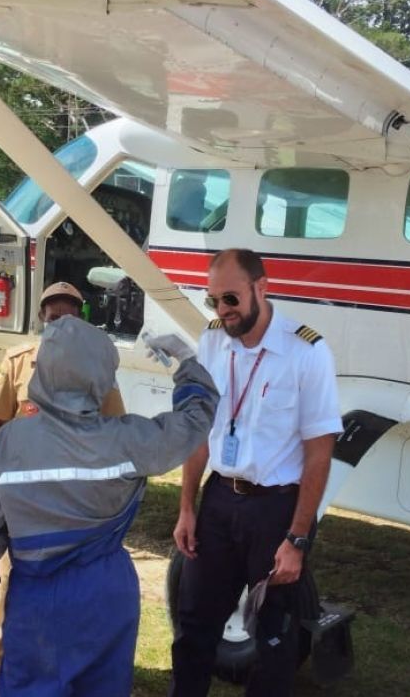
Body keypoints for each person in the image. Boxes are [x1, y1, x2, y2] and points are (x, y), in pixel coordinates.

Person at [0, 316, 219, 696]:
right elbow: (195, 419)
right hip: (107, 595)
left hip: (36, 599)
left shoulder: (11, 444)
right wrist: (187, 362)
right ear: (101, 376)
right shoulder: (127, 439)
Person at [169, 248, 342, 697]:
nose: (222, 311)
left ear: (261, 288)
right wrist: (187, 507)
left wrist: (298, 538)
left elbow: (320, 452)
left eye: (230, 298)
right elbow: (200, 430)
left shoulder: (306, 351)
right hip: (220, 499)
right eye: (213, 301)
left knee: (275, 637)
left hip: (277, 510)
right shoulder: (212, 342)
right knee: (193, 625)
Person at [0, 281, 128, 696]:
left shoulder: (95, 369)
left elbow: (114, 431)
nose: (61, 322)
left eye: (70, 315)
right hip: (23, 495)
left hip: (73, 500)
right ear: (42, 319)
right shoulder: (19, 361)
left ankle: (62, 657)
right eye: (54, 316)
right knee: (8, 577)